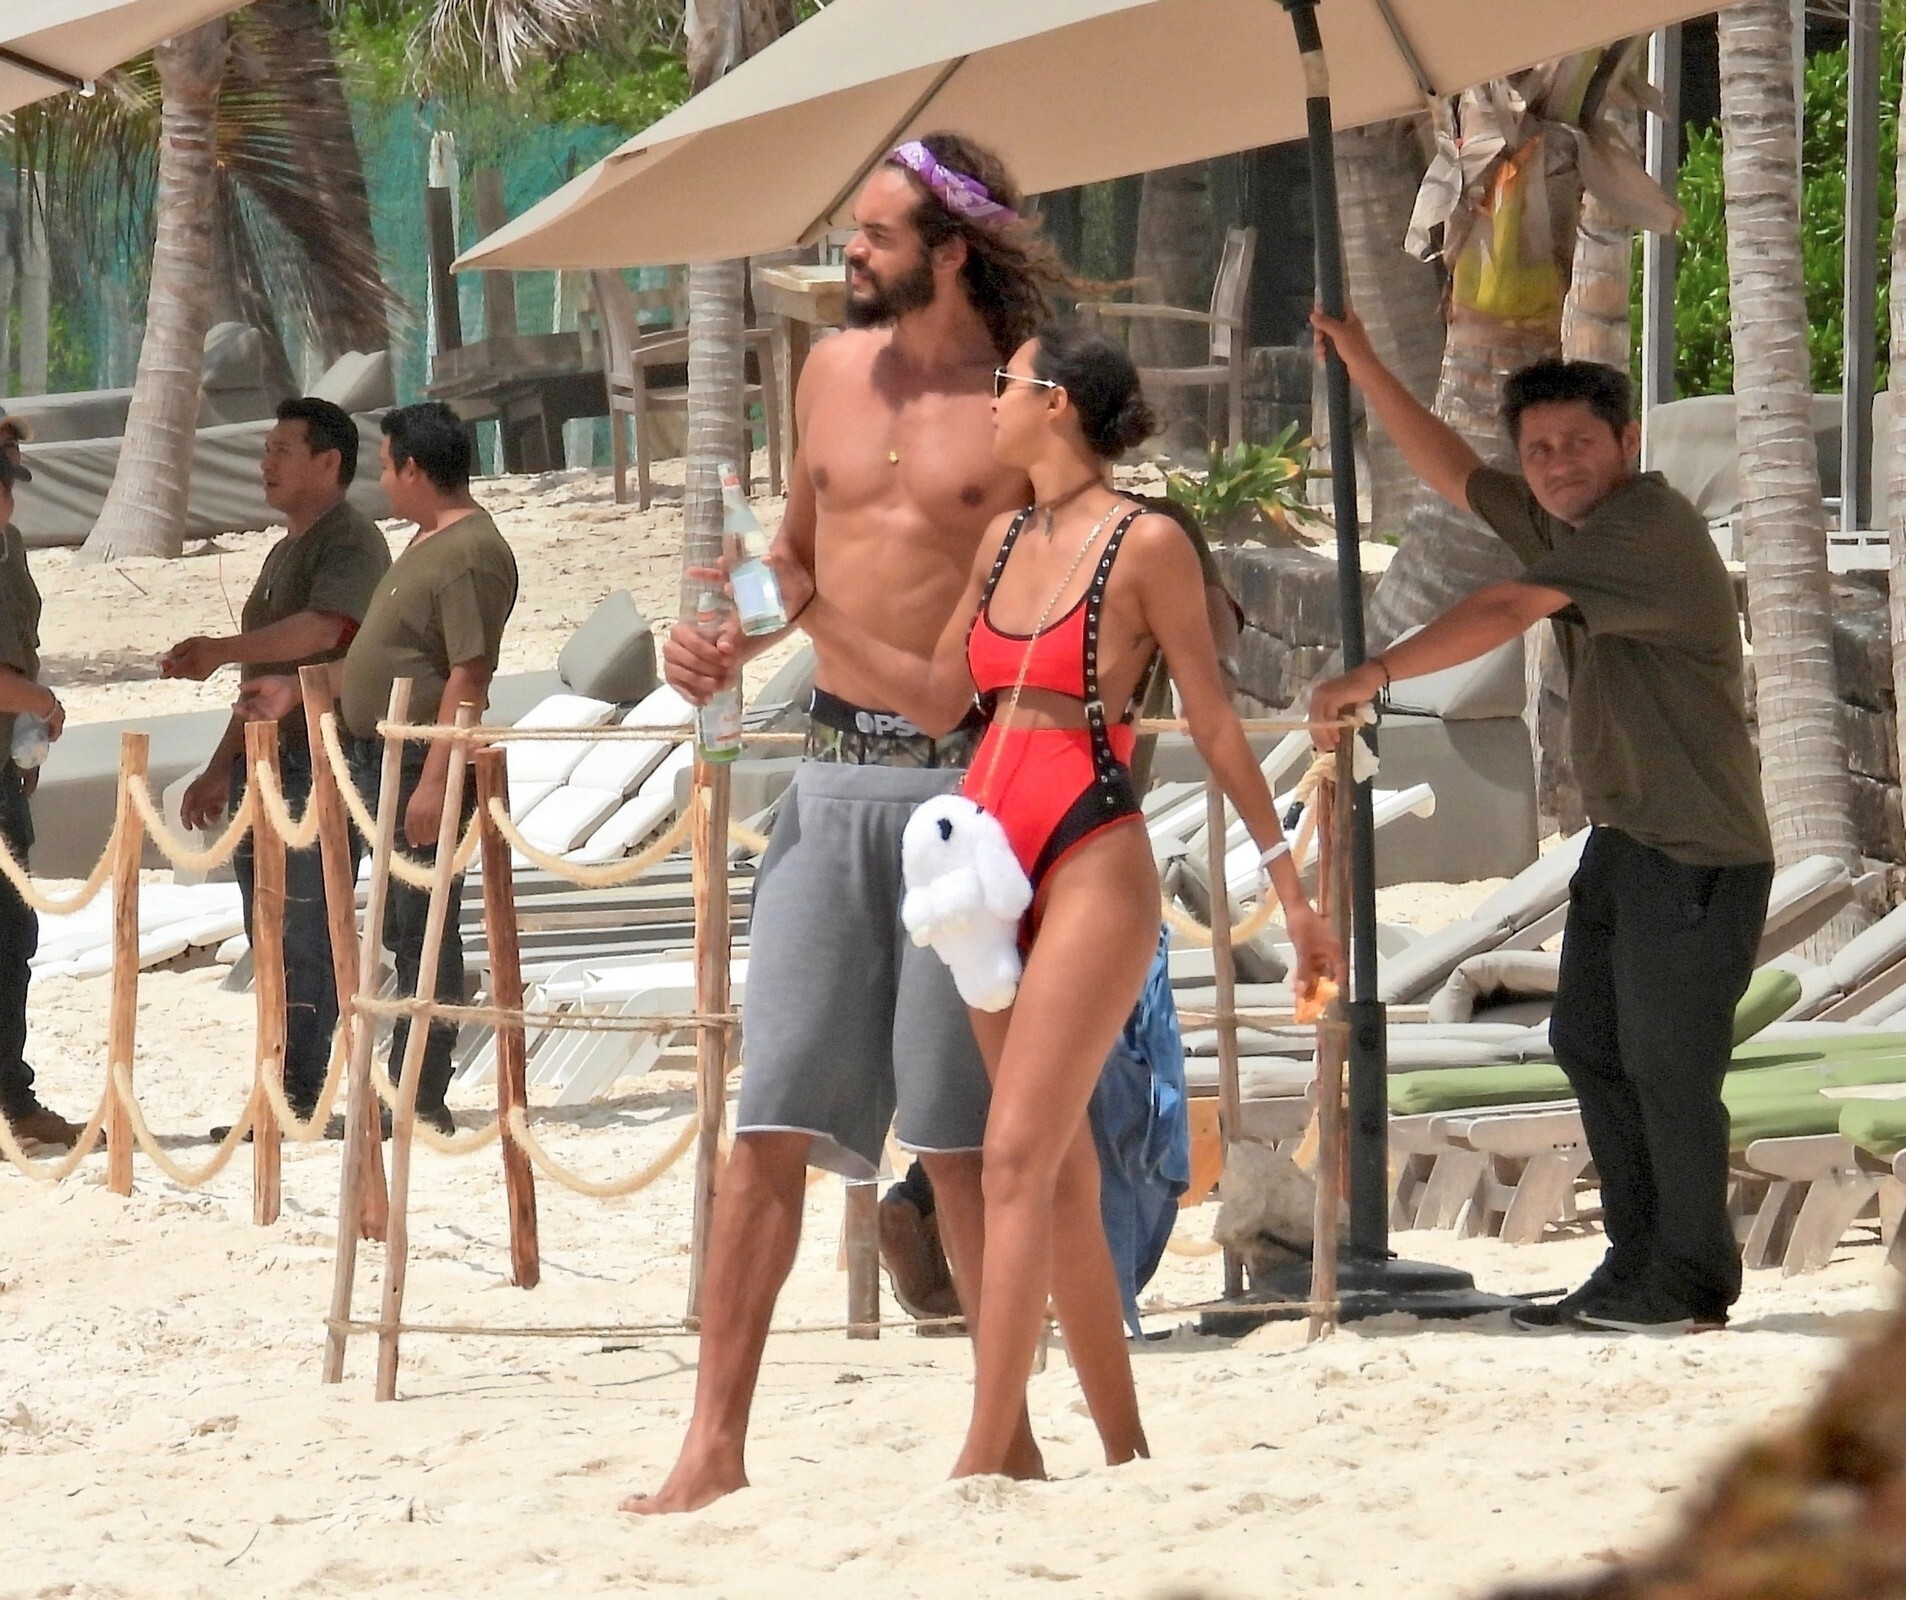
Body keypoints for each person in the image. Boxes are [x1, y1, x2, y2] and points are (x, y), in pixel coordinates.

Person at [781, 322, 1344, 1478]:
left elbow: (1215, 721)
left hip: (1090, 849)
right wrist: (805, 612)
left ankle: (988, 1451)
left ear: (1058, 405)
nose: (988, 399)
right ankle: (1122, 1449)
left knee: (1013, 1158)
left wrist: (1290, 893)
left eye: (1008, 383)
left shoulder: (1148, 544)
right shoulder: (999, 540)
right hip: (982, 863)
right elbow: (938, 697)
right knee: (1062, 1176)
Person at [641, 133, 1076, 1513]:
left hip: (965, 797)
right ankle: (711, 1447)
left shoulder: (1022, 404)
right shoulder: (828, 372)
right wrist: (718, 639)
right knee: (765, 1123)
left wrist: (799, 613)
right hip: (826, 785)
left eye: (875, 233)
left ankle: (1003, 1437)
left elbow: (965, 666)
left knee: (956, 1144)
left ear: (950, 251)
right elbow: (786, 561)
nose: (850, 250)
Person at [1307, 308, 1775, 1336]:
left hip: (1698, 852)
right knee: (1588, 1041)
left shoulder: (1643, 531)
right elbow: (1453, 472)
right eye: (1540, 450)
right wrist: (1363, 359)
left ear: (1627, 443)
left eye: (1578, 443)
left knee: (1669, 1069)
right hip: (1626, 839)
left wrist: (1371, 674)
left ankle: (1691, 1281)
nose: (1558, 464)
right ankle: (1637, 1260)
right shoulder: (1568, 525)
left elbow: (1501, 610)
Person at [237, 402, 517, 1135]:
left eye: (389, 466)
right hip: (371, 755)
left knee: (422, 928)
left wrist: (435, 781)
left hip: (418, 756)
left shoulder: (469, 552)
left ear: (414, 470)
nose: (383, 481)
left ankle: (420, 1094)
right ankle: (353, 1086)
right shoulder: (425, 543)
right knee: (374, 920)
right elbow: (387, 659)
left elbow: (468, 676)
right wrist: (298, 689)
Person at [166, 398, 390, 1125]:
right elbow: (261, 685)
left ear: (329, 462)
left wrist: (220, 649)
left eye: (282, 451)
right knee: (266, 929)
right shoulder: (283, 551)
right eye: (265, 450)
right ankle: (280, 1083)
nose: (266, 463)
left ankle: (301, 1090)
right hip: (266, 763)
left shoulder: (350, 542)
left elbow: (324, 631)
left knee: (305, 929)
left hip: (323, 764)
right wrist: (219, 766)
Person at [0, 426, 82, 1149]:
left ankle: (11, 1103)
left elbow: (19, 649)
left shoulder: (11, 547)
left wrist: (28, 734)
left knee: (10, 938)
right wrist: (42, 705)